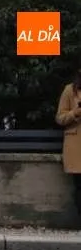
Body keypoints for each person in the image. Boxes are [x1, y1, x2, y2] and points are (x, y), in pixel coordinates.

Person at [56, 68, 81, 217]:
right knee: (79, 187)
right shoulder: (69, 90)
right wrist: (75, 113)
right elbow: (60, 118)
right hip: (76, 146)